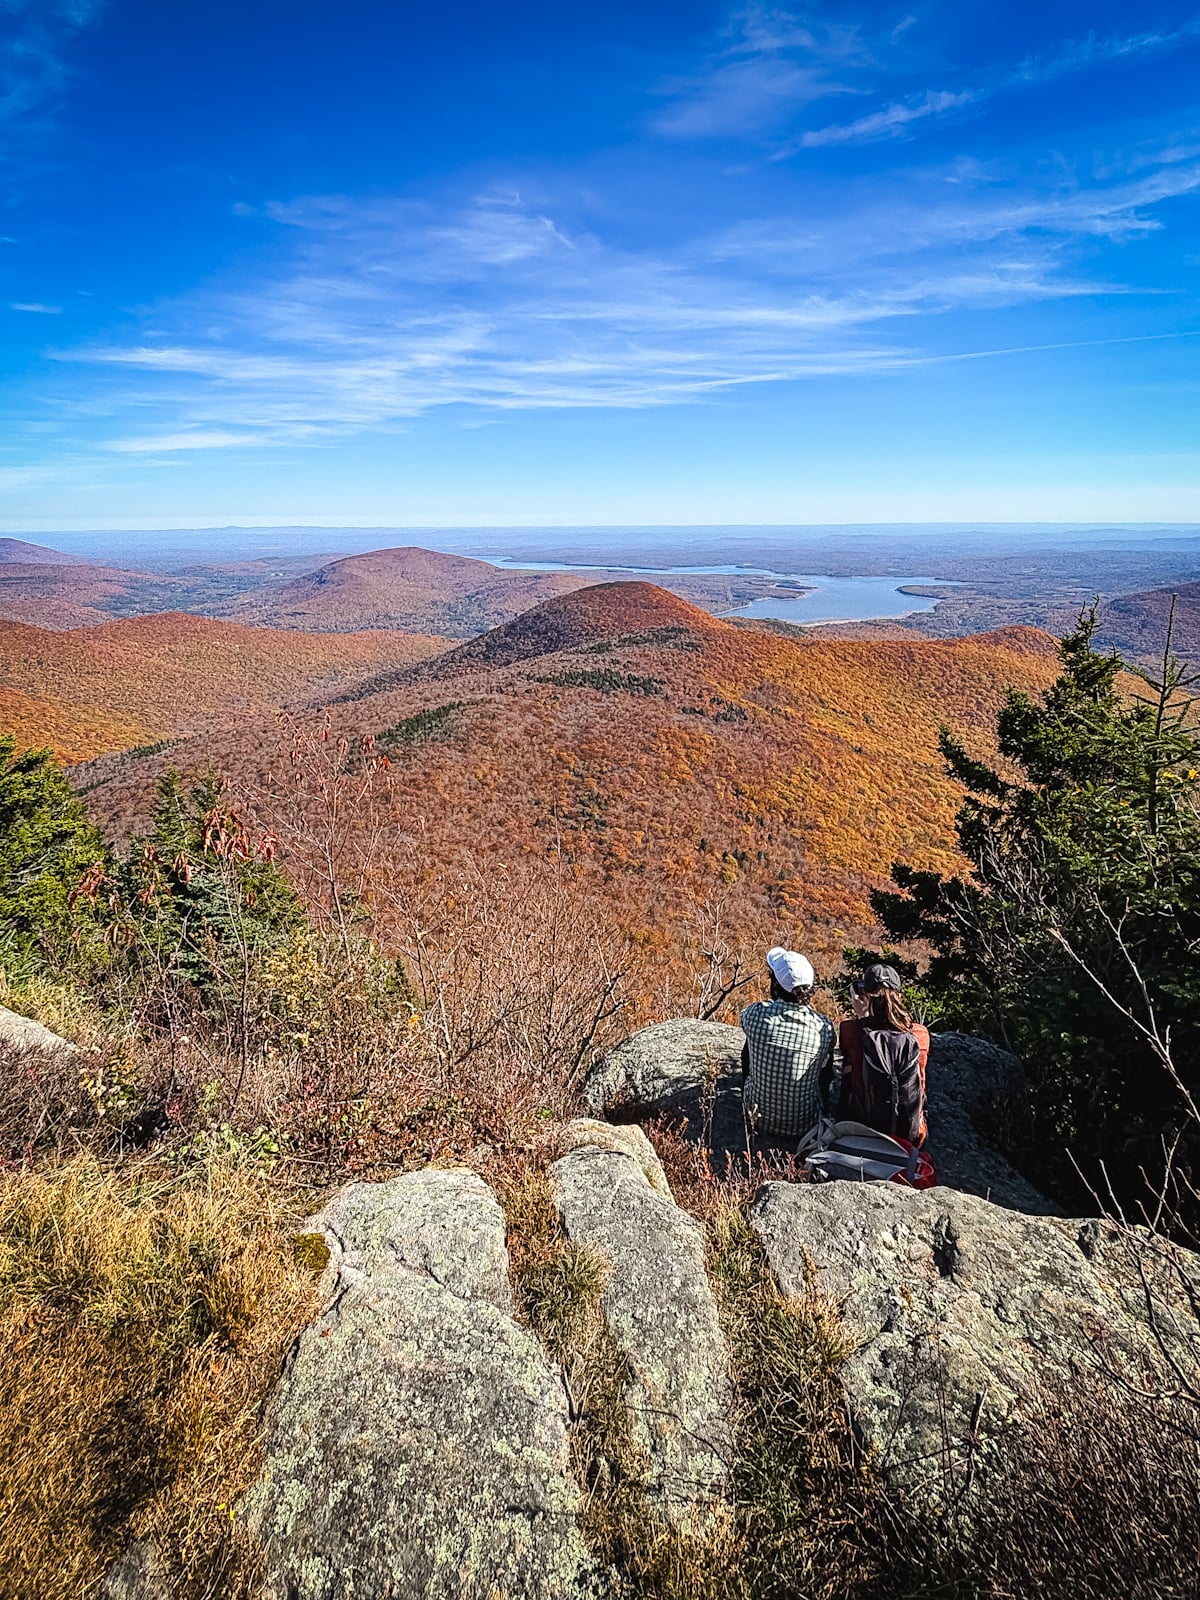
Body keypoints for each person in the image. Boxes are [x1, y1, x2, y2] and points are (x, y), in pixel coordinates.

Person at [740, 947, 836, 1138]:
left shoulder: (754, 1015)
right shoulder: (824, 1028)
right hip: (804, 1125)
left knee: (749, 1047)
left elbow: (745, 1025)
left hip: (756, 1117)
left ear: (775, 985)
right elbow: (826, 1075)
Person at [837, 963, 930, 1143]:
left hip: (862, 1129)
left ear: (866, 994)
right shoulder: (920, 1035)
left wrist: (862, 1018)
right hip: (911, 1136)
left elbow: (849, 1079)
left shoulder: (851, 1031)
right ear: (899, 996)